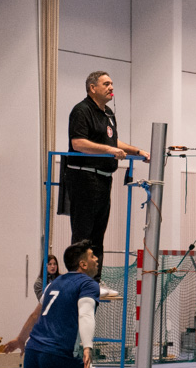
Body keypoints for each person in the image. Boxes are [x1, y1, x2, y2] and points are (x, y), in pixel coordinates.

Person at [59, 71, 149, 280]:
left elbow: (112, 142)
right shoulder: (81, 110)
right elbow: (78, 143)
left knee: (98, 235)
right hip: (83, 178)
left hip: (104, 179)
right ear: (92, 88)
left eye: (112, 84)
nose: (111, 88)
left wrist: (137, 151)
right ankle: (78, 280)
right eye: (106, 84)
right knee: (83, 235)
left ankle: (94, 281)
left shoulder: (108, 113)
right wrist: (109, 151)